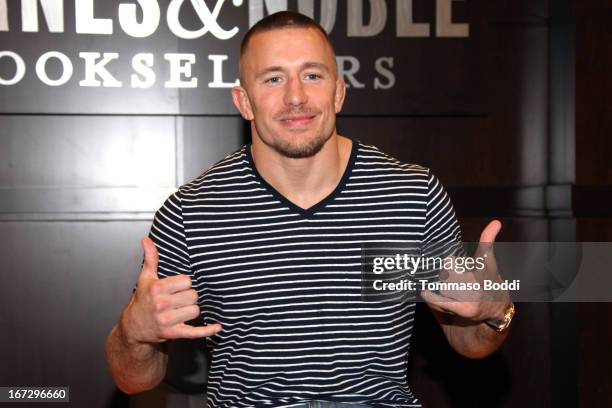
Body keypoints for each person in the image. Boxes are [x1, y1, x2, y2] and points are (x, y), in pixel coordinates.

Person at [105, 11, 514, 408]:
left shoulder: (410, 193)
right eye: (273, 78)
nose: (295, 96)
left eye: (312, 75)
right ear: (244, 101)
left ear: (338, 91)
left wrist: (495, 309)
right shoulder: (192, 211)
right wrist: (135, 333)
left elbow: (469, 344)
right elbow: (133, 379)